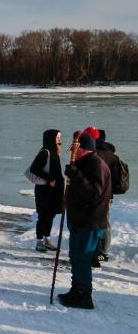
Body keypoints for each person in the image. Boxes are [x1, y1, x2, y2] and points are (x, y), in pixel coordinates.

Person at [59, 134, 111, 309]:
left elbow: (94, 193)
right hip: (79, 220)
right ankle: (76, 289)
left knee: (82, 258)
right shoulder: (84, 163)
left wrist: (77, 176)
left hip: (90, 222)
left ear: (84, 149)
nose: (73, 151)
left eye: (76, 148)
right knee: (76, 256)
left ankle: (84, 295)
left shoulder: (97, 165)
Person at [85, 126, 119, 266]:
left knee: (92, 224)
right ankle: (103, 253)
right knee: (104, 223)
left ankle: (93, 253)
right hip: (107, 196)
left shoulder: (92, 155)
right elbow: (117, 179)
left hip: (91, 195)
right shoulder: (112, 156)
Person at [28, 129, 64, 252]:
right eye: (57, 138)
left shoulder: (54, 152)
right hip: (45, 191)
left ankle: (47, 240)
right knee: (43, 216)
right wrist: (49, 179)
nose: (60, 140)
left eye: (60, 138)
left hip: (53, 191)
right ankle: (39, 241)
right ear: (51, 139)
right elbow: (34, 168)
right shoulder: (45, 152)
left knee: (50, 215)